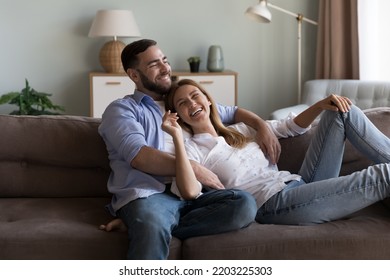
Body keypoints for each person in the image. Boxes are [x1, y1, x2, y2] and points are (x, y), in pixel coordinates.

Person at [98, 39, 280, 259]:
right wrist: (193, 167)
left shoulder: (180, 102)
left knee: (243, 204)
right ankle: (149, 225)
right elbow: (139, 157)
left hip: (194, 192)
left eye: (164, 60)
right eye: (154, 65)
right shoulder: (123, 109)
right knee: (153, 223)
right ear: (134, 75)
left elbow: (232, 112)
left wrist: (262, 125)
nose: (166, 68)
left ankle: (145, 225)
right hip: (152, 193)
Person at [162, 78, 390, 225]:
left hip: (300, 184)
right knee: (384, 175)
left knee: (341, 110)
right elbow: (188, 191)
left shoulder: (241, 130)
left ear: (208, 100)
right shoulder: (191, 151)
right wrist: (176, 138)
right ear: (178, 115)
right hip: (275, 205)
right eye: (182, 103)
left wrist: (320, 105)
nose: (191, 104)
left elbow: (291, 126)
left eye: (195, 96)